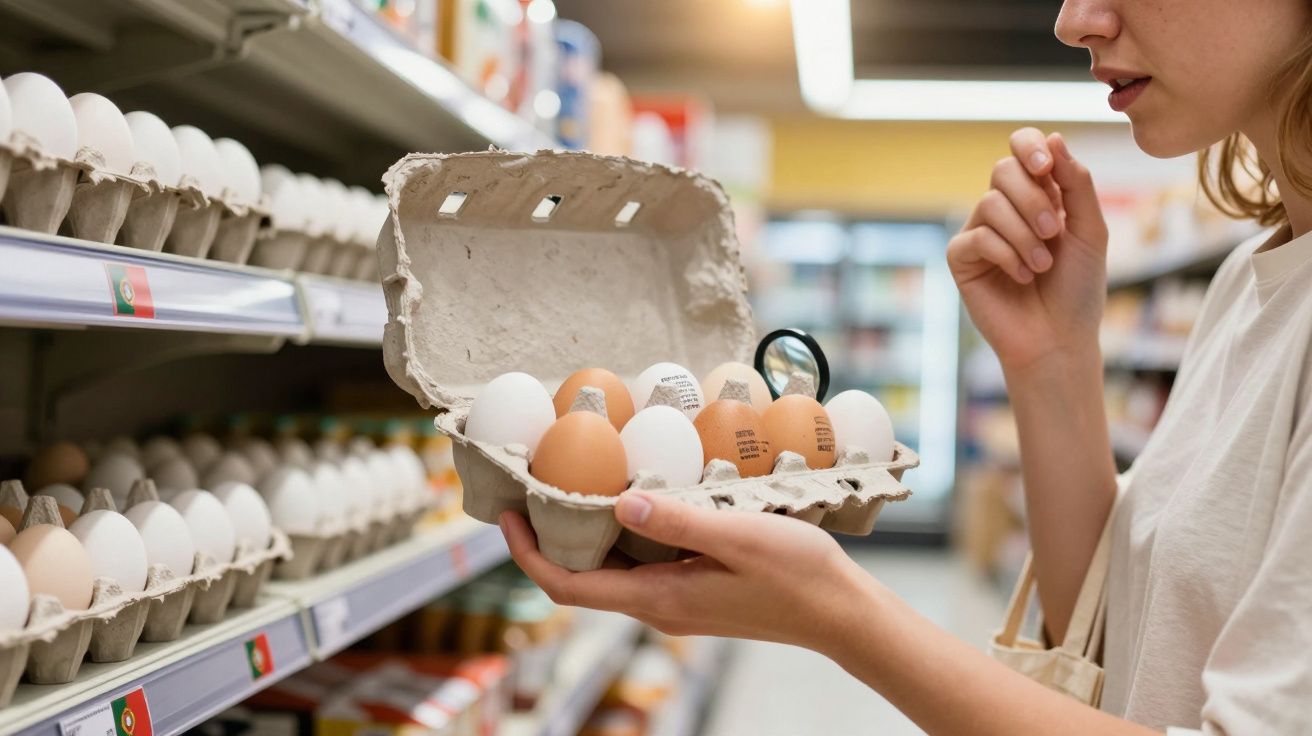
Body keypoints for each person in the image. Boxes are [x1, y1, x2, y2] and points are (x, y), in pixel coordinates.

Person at [500, 0, 1312, 732]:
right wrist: (1052, 361)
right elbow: (1111, 639)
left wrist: (839, 614)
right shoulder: (1248, 280)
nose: (1073, 21)